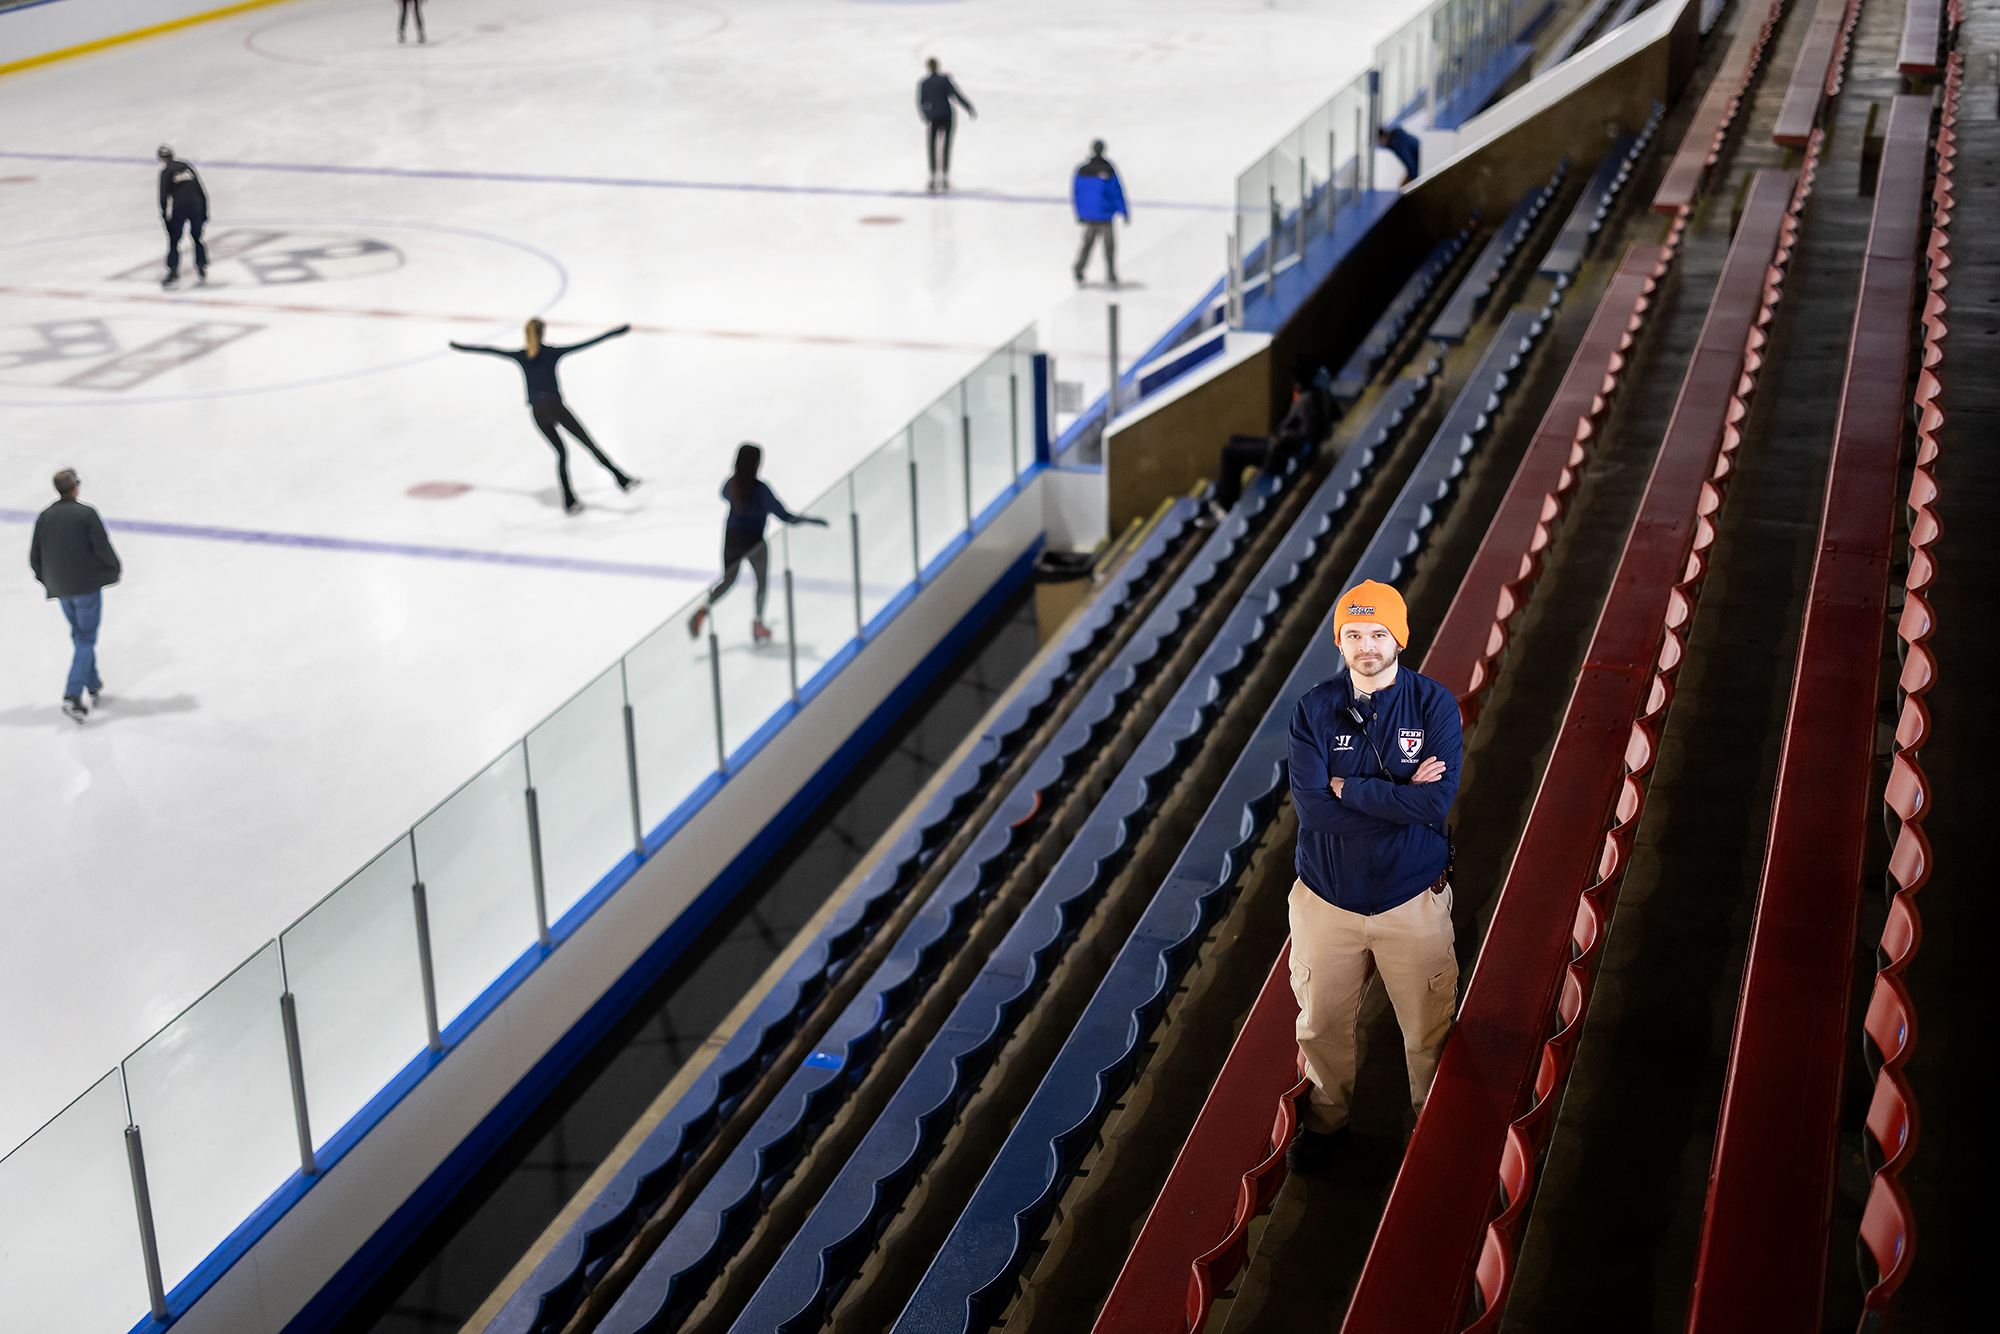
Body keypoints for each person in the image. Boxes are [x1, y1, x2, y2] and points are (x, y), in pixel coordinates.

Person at [1284, 580, 1463, 1169]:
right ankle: (1327, 1125)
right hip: (1326, 902)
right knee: (1321, 1027)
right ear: (1341, 639)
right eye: (1353, 634)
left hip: (1410, 900)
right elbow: (1312, 810)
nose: (1366, 646)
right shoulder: (1314, 708)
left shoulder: (1433, 704)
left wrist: (1351, 790)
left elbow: (1435, 806)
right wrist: (1397, 800)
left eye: (1378, 633)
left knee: (1428, 1032)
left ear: (1399, 638)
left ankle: (1431, 1138)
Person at [449, 319, 639, 515]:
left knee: (561, 454)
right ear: (542, 334)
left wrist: (461, 347)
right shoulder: (551, 353)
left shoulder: (521, 356)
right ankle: (621, 479)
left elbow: (490, 350)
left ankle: (570, 500)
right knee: (588, 444)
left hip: (538, 414)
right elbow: (586, 343)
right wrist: (614, 333)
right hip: (555, 407)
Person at [687, 443, 829, 644]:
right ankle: (758, 623)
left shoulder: (732, 484)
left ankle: (704, 608)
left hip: (732, 537)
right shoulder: (761, 490)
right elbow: (785, 516)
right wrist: (809, 520)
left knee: (728, 580)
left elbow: (723, 494)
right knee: (761, 582)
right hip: (754, 542)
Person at [29, 469, 122, 725]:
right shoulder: (86, 514)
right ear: (75, 488)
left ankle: (92, 682)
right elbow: (102, 547)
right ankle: (72, 695)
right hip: (86, 588)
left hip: (60, 589)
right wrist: (113, 571)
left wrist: (47, 580)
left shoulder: (45, 517)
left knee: (80, 636)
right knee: (85, 637)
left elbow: (35, 556)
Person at [1205, 360, 1335, 522]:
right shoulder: (1313, 395)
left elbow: (1308, 432)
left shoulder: (1309, 401)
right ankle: (1223, 494)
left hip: (1282, 453)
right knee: (1235, 440)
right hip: (1282, 445)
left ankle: (1225, 505)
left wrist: (1282, 438)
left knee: (1229, 453)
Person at [1071, 139, 1128, 287]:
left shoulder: (1083, 170)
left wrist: (1080, 213)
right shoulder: (1107, 169)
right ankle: (1110, 274)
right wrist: (1123, 211)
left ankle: (1079, 268)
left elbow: (1078, 193)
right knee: (1108, 246)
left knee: (1088, 244)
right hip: (1103, 215)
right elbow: (1116, 192)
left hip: (1091, 215)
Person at [917, 57, 975, 192]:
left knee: (932, 146)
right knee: (946, 146)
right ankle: (944, 175)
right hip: (947, 115)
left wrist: (925, 116)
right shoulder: (944, 80)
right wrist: (968, 107)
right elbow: (956, 95)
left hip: (934, 117)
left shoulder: (924, 83)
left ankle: (933, 175)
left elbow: (921, 102)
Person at [157, 145, 208, 289]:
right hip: (196, 206)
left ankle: (173, 272)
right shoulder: (187, 167)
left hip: (180, 208)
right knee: (197, 237)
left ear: (161, 159)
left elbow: (163, 197)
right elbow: (200, 189)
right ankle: (201, 266)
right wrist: (204, 210)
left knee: (174, 241)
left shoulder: (166, 172)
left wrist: (164, 216)